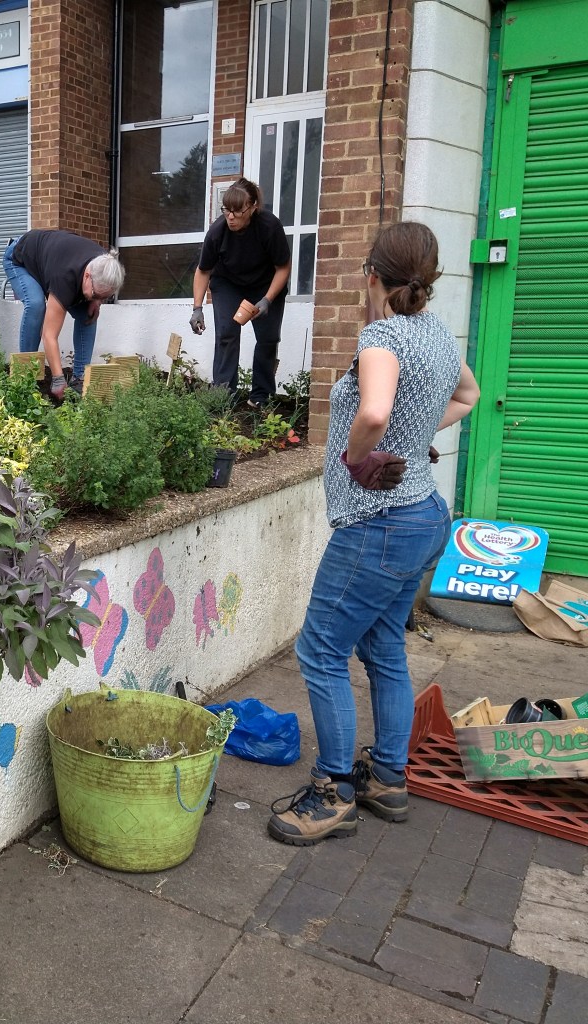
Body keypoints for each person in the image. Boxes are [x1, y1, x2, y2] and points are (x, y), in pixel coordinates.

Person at [267, 220, 480, 847]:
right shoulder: (438, 336)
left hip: (378, 524)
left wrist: (362, 456)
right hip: (424, 517)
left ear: (373, 279)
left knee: (321, 650)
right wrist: (415, 442)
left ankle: (333, 792)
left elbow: (375, 411)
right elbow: (468, 395)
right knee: (384, 645)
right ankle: (389, 777)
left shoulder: (382, 336)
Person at [189, 179, 291, 407]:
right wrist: (197, 308)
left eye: (237, 211)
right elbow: (203, 270)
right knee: (226, 333)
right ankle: (223, 396)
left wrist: (267, 300)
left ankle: (261, 397)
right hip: (228, 283)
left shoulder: (269, 227)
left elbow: (283, 267)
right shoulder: (218, 231)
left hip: (265, 284)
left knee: (268, 338)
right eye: (227, 210)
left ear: (253, 207)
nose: (231, 217)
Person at [3, 230, 125, 400]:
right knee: (36, 305)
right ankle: (25, 376)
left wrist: (96, 301)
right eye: (97, 295)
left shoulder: (105, 266)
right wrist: (58, 378)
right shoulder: (65, 276)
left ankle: (79, 379)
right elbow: (49, 335)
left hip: (51, 262)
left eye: (105, 297)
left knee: (88, 316)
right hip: (20, 259)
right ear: (87, 276)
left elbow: (98, 292)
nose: (100, 300)